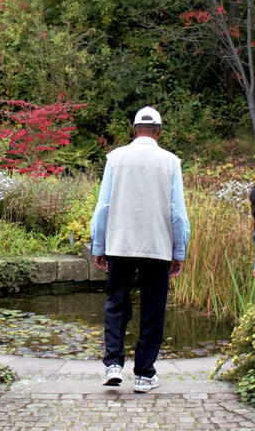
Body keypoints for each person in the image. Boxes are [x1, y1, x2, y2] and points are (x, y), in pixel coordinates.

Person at [90, 106, 190, 393]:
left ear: (134, 129)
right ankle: (145, 373)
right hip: (157, 245)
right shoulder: (171, 162)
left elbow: (104, 206)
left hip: (120, 243)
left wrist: (99, 244)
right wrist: (178, 252)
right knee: (153, 308)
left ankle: (113, 364)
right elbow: (177, 213)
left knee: (117, 303)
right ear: (159, 131)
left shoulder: (115, 158)